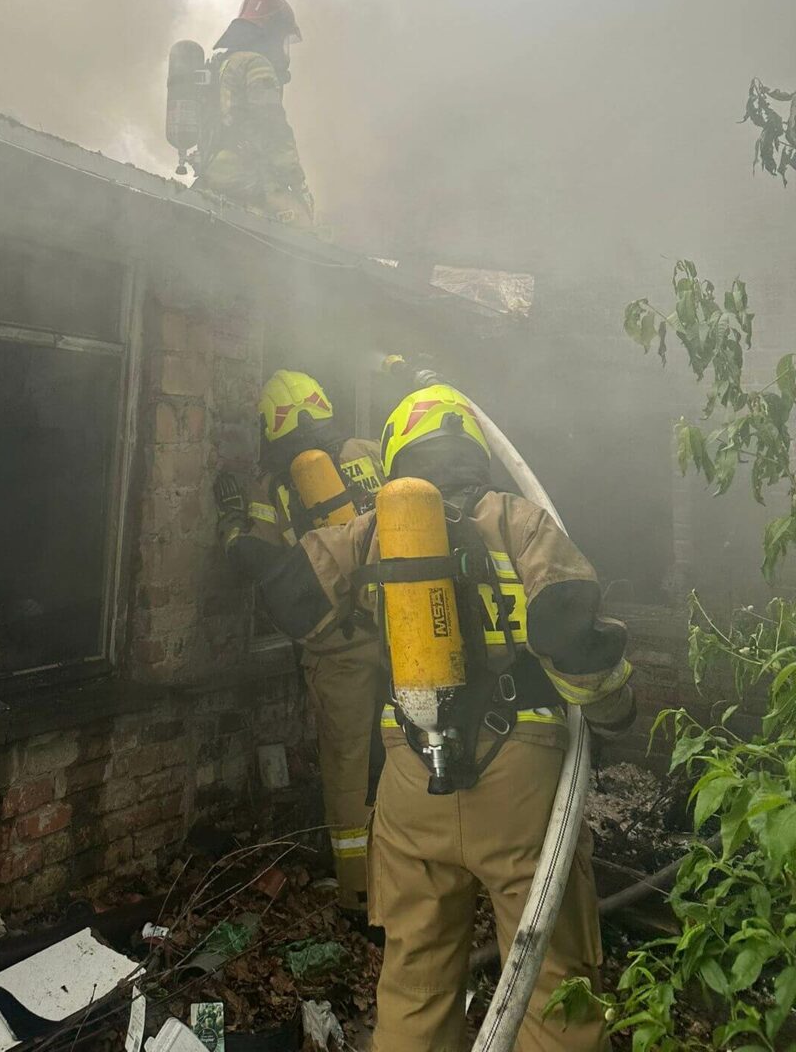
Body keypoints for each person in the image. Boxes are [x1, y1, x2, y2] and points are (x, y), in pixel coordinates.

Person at [227, 379, 635, 1052]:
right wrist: (617, 711)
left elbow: (294, 600)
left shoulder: (372, 531)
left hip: (411, 779)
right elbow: (575, 643)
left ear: (399, 460)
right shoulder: (519, 518)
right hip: (521, 781)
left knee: (414, 982)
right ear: (470, 450)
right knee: (552, 985)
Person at [215, 370, 386, 913]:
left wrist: (231, 522)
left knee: (347, 763)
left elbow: (259, 560)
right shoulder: (370, 450)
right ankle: (415, 866)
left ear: (271, 425)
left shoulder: (278, 484)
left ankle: (359, 890)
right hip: (401, 630)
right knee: (403, 753)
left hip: (340, 645)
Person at [193, 0, 313, 226]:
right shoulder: (257, 64)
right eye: (283, 37)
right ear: (272, 31)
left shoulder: (224, 64)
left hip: (213, 171)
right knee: (303, 225)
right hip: (245, 175)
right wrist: (298, 185)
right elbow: (273, 126)